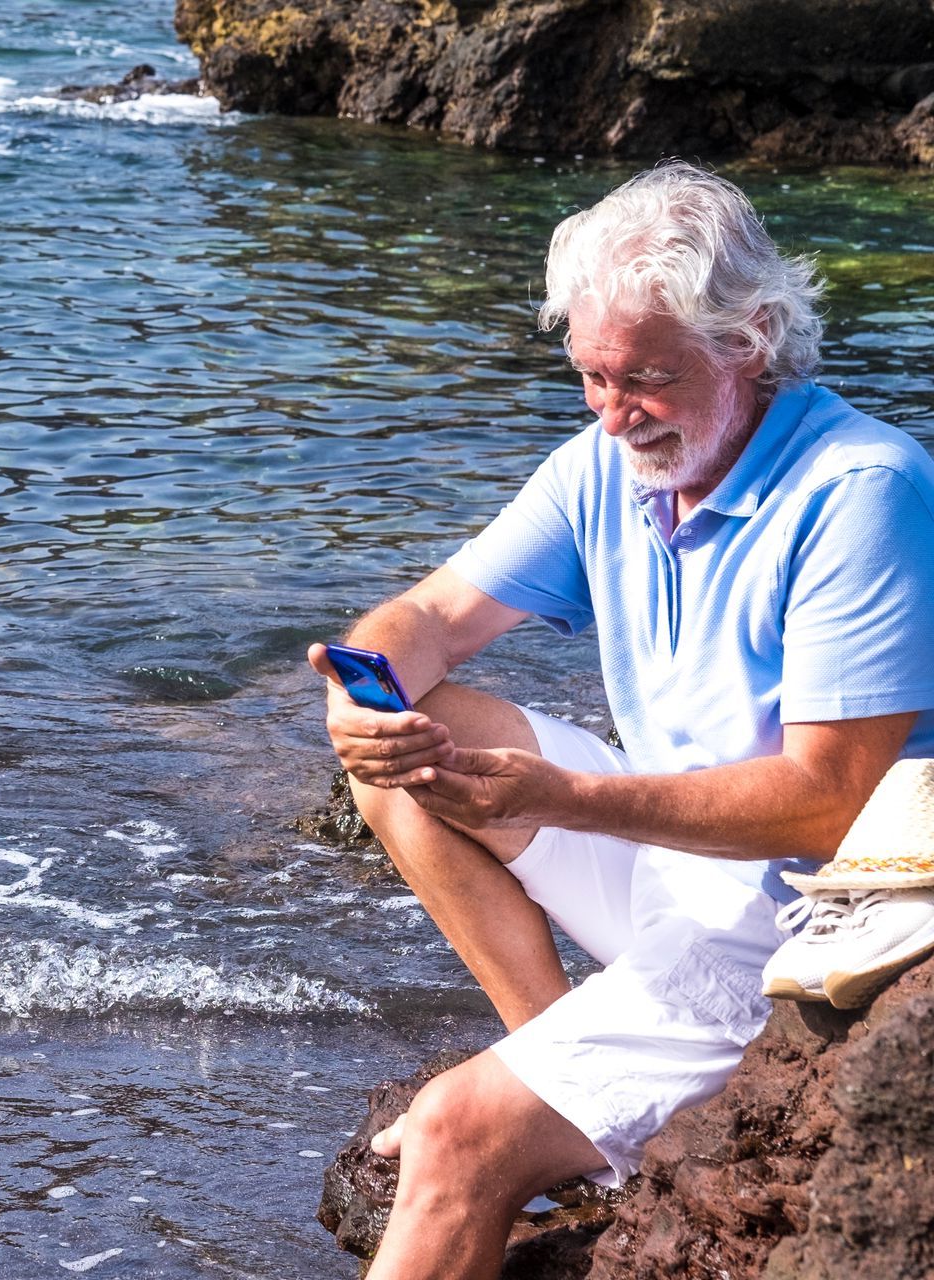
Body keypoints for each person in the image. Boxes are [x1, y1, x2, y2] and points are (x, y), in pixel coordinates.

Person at [306, 161, 934, 1280]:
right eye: (589, 376)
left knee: (455, 1133)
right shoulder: (609, 461)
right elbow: (436, 616)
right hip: (669, 862)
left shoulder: (862, 489)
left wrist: (562, 795)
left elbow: (828, 800)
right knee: (410, 744)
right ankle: (560, 1064)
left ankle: (542, 1108)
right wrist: (366, 686)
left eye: (643, 378)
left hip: (792, 922)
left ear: (752, 338)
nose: (611, 411)